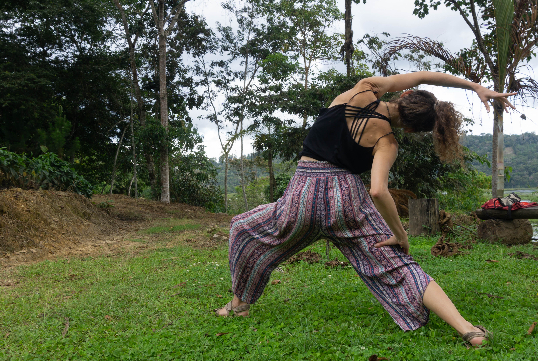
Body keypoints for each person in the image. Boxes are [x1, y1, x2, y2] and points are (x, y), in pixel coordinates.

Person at [216, 71, 515, 346]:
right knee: (399, 265)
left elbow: (425, 75)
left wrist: (473, 86)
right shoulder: (387, 141)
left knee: (244, 228)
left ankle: (238, 304)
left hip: (302, 196)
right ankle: (467, 329)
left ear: (405, 95)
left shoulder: (363, 90)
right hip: (347, 202)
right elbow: (377, 190)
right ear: (411, 129)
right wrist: (400, 235)